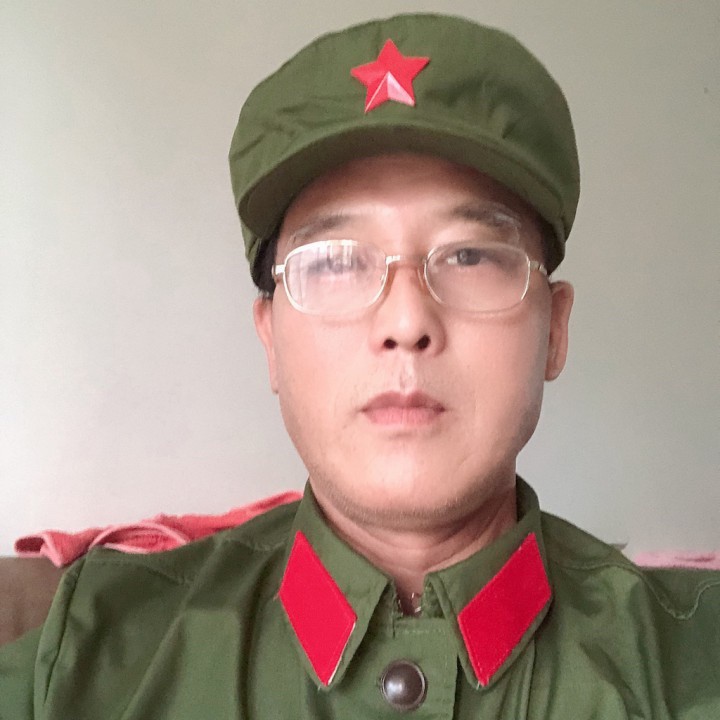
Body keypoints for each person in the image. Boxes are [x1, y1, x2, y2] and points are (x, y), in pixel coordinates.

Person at [1, 12, 718, 719]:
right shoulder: (90, 655)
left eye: (469, 255)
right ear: (270, 339)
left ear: (555, 330)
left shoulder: (694, 658)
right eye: (336, 261)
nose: (406, 322)